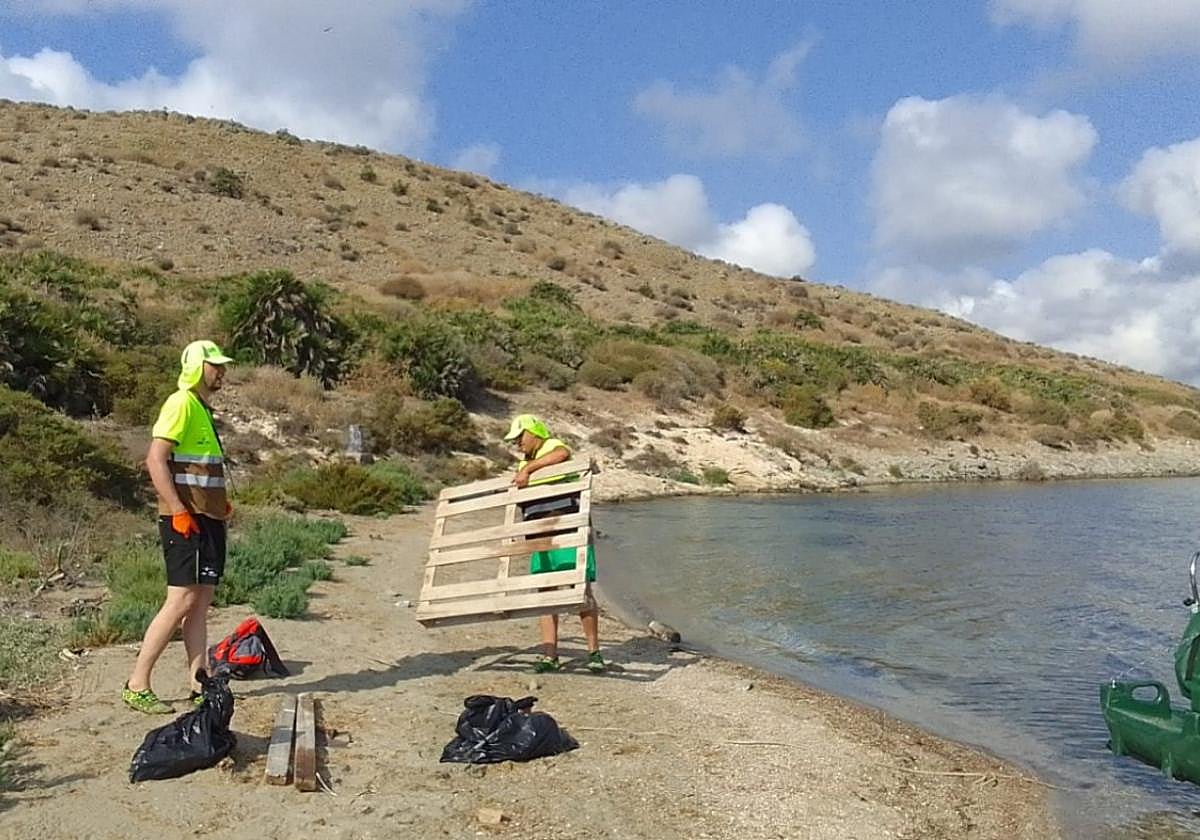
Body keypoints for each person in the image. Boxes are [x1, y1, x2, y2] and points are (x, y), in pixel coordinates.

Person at [122, 340, 233, 713]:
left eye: (222, 365)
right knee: (181, 599)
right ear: (198, 366)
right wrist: (177, 509)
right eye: (215, 365)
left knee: (201, 601)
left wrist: (219, 503)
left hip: (208, 518)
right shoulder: (181, 402)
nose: (221, 371)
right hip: (184, 521)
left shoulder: (202, 407)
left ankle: (199, 681)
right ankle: (137, 684)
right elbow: (155, 460)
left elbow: (199, 469)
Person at [505, 414, 604, 674]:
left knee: (581, 592)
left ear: (534, 432)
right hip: (540, 535)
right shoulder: (523, 463)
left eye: (520, 437)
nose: (517, 443)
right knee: (546, 595)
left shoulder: (549, 446)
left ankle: (594, 653)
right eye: (514, 440)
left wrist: (527, 470)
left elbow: (561, 454)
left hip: (568, 529)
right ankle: (550, 655)